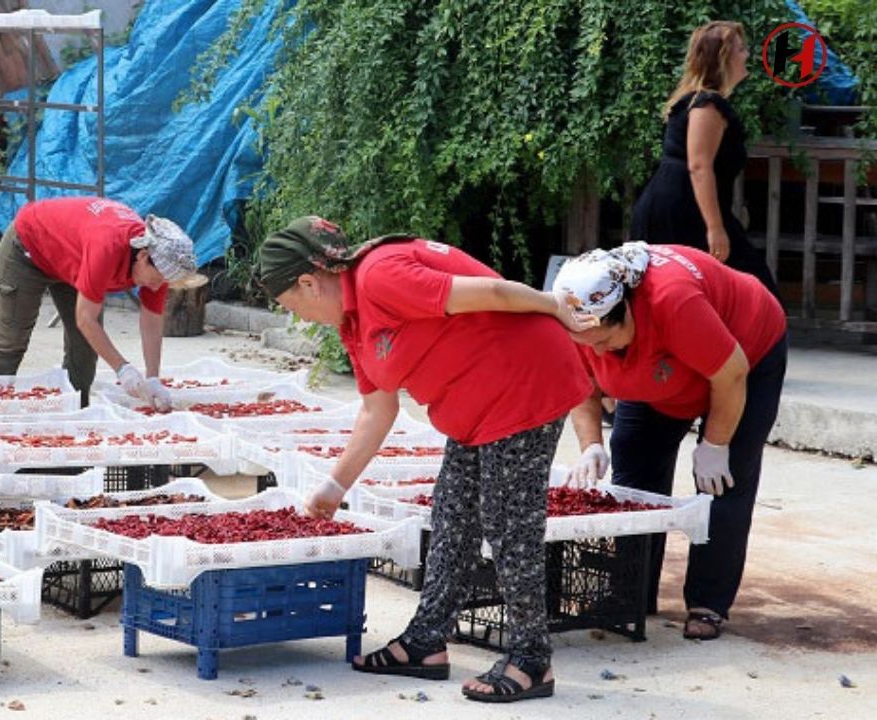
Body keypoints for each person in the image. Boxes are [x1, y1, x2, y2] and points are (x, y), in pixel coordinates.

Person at [255, 217, 595, 703]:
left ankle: (531, 659)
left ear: (308, 282)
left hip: (525, 382)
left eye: (292, 305)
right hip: (475, 404)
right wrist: (332, 490)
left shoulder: (380, 275)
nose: (300, 317)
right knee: (452, 516)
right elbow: (378, 410)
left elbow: (493, 295)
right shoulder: (353, 323)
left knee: (507, 522)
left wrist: (554, 307)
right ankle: (426, 641)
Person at [555, 242, 787, 641]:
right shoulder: (579, 321)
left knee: (721, 483)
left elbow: (730, 374)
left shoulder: (673, 302)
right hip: (664, 375)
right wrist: (592, 444)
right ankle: (629, 590)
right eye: (585, 344)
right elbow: (582, 387)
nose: (596, 352)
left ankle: (708, 603)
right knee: (633, 465)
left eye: (602, 341)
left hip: (744, 355)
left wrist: (715, 444)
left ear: (625, 309)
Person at [0, 196, 197, 409]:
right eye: (158, 278)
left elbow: (152, 319)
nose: (157, 286)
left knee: (84, 346)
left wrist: (153, 378)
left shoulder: (158, 264)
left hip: (73, 259)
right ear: (142, 256)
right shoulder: (108, 247)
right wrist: (123, 369)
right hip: (28, 247)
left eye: (164, 281)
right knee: (11, 340)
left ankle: (76, 410)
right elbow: (86, 319)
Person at [631, 20, 778, 296]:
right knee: (754, 290)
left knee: (724, 294)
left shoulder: (702, 101)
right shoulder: (706, 105)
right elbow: (699, 166)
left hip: (685, 208)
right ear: (724, 58)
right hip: (681, 213)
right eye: (741, 49)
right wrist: (715, 228)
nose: (747, 55)